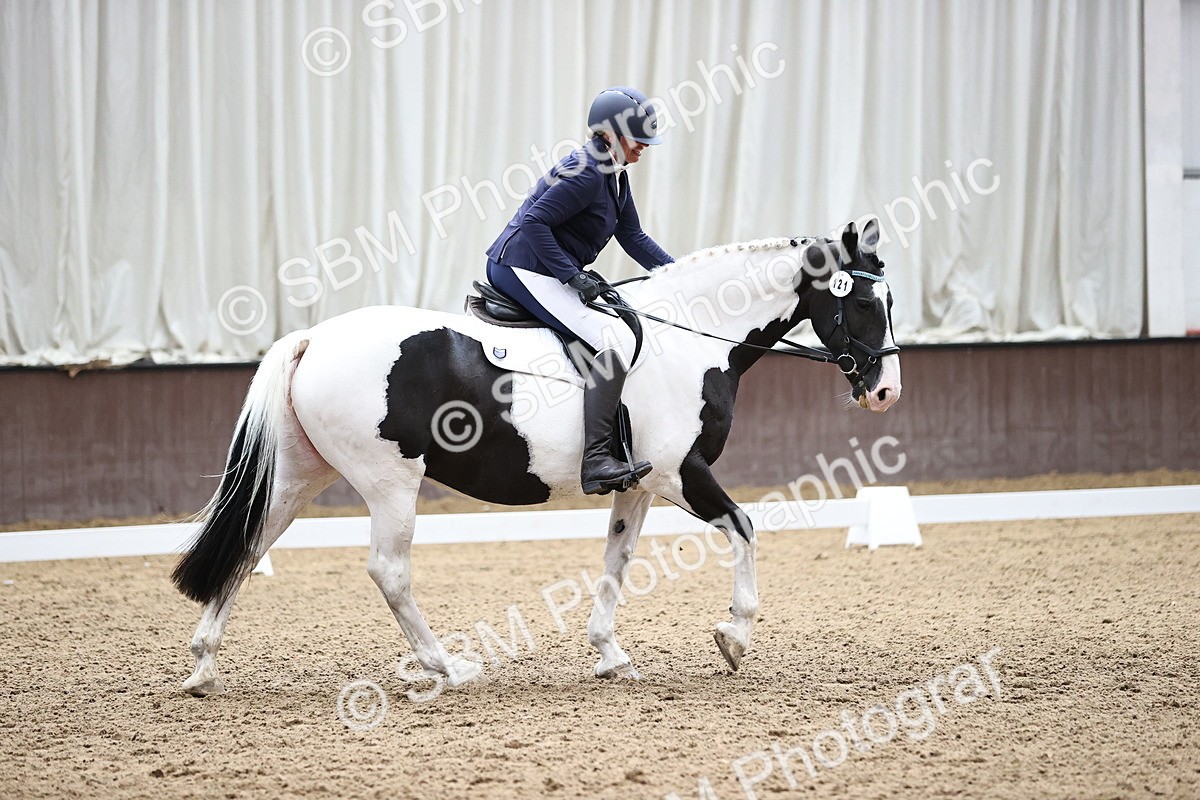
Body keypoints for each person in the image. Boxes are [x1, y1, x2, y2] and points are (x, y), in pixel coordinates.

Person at [484, 86, 674, 496]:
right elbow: (535, 223)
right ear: (612, 133)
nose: (644, 146)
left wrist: (680, 276)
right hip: (521, 267)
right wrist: (572, 276)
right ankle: (597, 461)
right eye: (638, 138)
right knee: (611, 341)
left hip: (543, 267)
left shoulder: (614, 173)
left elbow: (633, 236)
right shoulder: (588, 171)